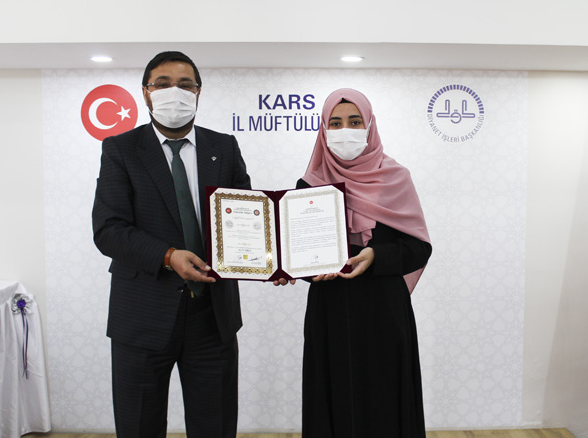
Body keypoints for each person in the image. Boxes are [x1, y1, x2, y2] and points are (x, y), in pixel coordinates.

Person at [92, 51, 251, 438]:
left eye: (185, 84)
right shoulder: (121, 149)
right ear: (146, 93)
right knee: (139, 427)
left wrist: (271, 260)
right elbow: (108, 229)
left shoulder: (224, 147)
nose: (174, 92)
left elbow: (246, 219)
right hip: (142, 316)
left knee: (215, 428)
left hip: (212, 317)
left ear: (198, 92)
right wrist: (167, 256)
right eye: (162, 84)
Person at [279, 88, 432, 437]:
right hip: (330, 308)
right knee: (332, 392)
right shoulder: (310, 184)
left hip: (383, 309)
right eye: (335, 123)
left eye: (354, 121)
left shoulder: (395, 178)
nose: (344, 130)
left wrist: (376, 255)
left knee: (385, 396)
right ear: (323, 129)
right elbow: (302, 254)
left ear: (369, 126)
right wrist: (289, 268)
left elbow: (419, 248)